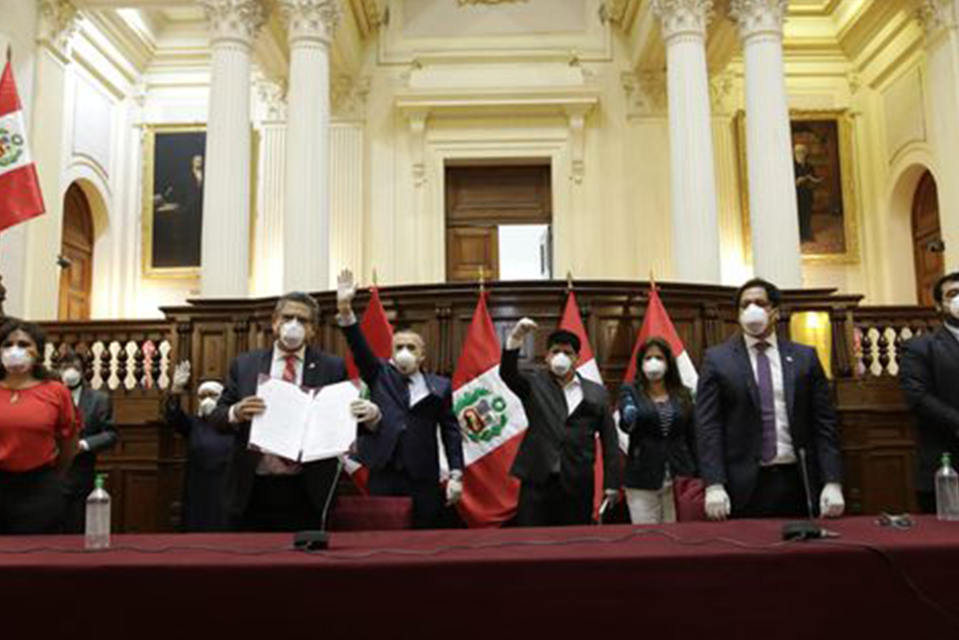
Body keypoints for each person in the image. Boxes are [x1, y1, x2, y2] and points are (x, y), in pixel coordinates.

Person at [211, 292, 381, 532]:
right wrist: (235, 412)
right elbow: (216, 417)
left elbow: (346, 423)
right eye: (287, 317)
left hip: (308, 488)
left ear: (313, 330)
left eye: (302, 320)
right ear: (274, 322)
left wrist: (371, 416)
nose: (293, 324)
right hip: (252, 486)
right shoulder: (245, 364)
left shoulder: (332, 367)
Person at [696, 278, 844, 520]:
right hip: (742, 485)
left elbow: (824, 424)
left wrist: (832, 481)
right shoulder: (717, 360)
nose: (752, 309)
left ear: (775, 310)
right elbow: (708, 427)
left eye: (759, 303)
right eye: (745, 305)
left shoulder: (804, 357)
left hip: (798, 480)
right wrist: (714, 484)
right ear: (738, 314)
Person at [335, 269, 464, 528]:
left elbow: (451, 431)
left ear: (422, 355)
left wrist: (456, 474)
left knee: (425, 533)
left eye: (411, 348)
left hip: (423, 475)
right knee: (383, 534)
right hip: (384, 471)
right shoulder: (378, 373)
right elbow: (359, 347)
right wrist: (346, 310)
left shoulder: (440, 386)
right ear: (391, 352)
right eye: (399, 347)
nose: (404, 352)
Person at [502, 318, 621, 527]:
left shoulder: (597, 392)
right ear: (547, 357)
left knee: (575, 540)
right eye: (555, 351)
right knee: (532, 538)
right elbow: (508, 373)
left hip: (578, 482)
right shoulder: (533, 383)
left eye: (567, 353)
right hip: (537, 479)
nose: (561, 357)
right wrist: (515, 338)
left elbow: (610, 441)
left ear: (577, 358)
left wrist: (611, 483)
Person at [0, 320, 79, 534]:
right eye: (7, 344)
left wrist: (54, 475)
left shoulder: (56, 391)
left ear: (38, 352)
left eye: (24, 344)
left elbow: (68, 442)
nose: (15, 350)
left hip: (39, 488)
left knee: (37, 551)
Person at [618, 337, 696, 524]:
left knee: (677, 534)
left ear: (668, 363)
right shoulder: (631, 391)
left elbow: (692, 435)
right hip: (642, 476)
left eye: (659, 357)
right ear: (641, 363)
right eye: (648, 358)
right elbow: (626, 426)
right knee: (647, 535)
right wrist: (629, 416)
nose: (653, 362)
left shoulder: (683, 393)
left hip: (680, 476)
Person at [899, 271, 959, 513]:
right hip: (947, 462)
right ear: (939, 305)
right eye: (953, 294)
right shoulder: (920, 346)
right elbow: (917, 396)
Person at [163, 360, 234, 531]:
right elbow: (173, 416)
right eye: (202, 396)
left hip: (226, 485)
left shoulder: (233, 423)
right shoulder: (193, 423)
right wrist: (176, 389)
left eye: (212, 395)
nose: (207, 399)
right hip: (199, 485)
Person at [58, 352, 118, 533]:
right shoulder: (49, 396)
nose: (70, 372)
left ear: (83, 371)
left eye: (75, 367)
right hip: (50, 477)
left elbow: (111, 434)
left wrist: (84, 445)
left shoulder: (99, 399)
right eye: (65, 367)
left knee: (77, 531)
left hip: (81, 476)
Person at [794, 143, 823, 243]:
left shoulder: (809, 166)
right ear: (794, 154)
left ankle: (807, 233)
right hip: (796, 195)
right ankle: (799, 235)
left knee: (807, 213)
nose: (800, 154)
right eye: (798, 152)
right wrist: (797, 181)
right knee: (798, 214)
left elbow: (813, 177)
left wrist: (817, 180)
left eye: (802, 152)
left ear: (806, 154)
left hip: (807, 193)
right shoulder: (792, 166)